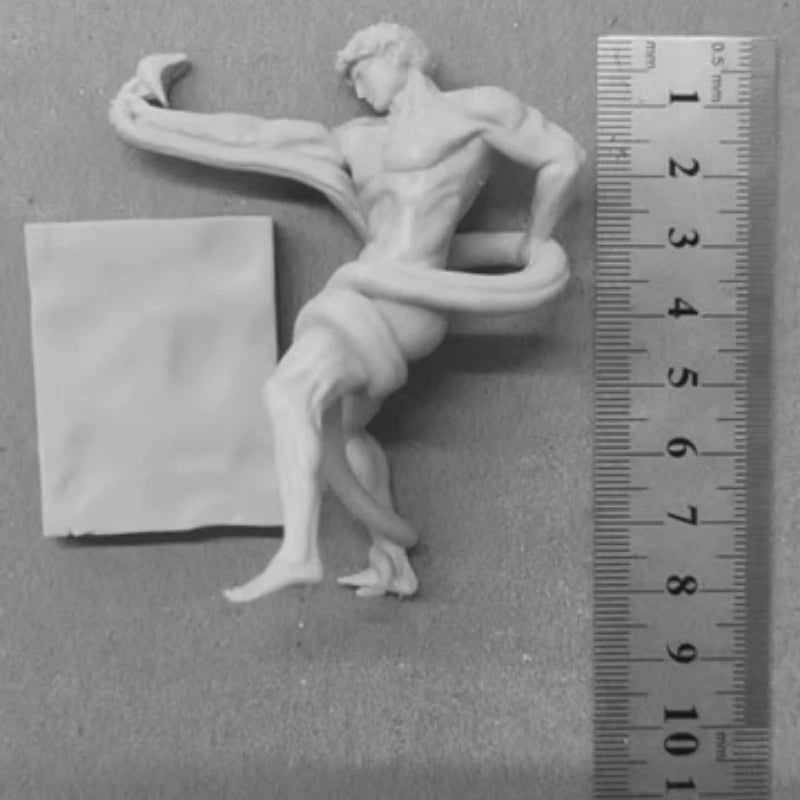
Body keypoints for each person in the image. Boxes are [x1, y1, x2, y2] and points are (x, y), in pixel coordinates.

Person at [109, 23, 586, 601]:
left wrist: (536, 241)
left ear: (398, 55)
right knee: (344, 429)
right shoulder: (357, 139)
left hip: (400, 297)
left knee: (289, 390)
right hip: (369, 290)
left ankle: (298, 552)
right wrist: (149, 117)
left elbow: (563, 158)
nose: (358, 90)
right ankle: (391, 558)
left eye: (362, 73)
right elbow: (255, 136)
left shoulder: (475, 111)